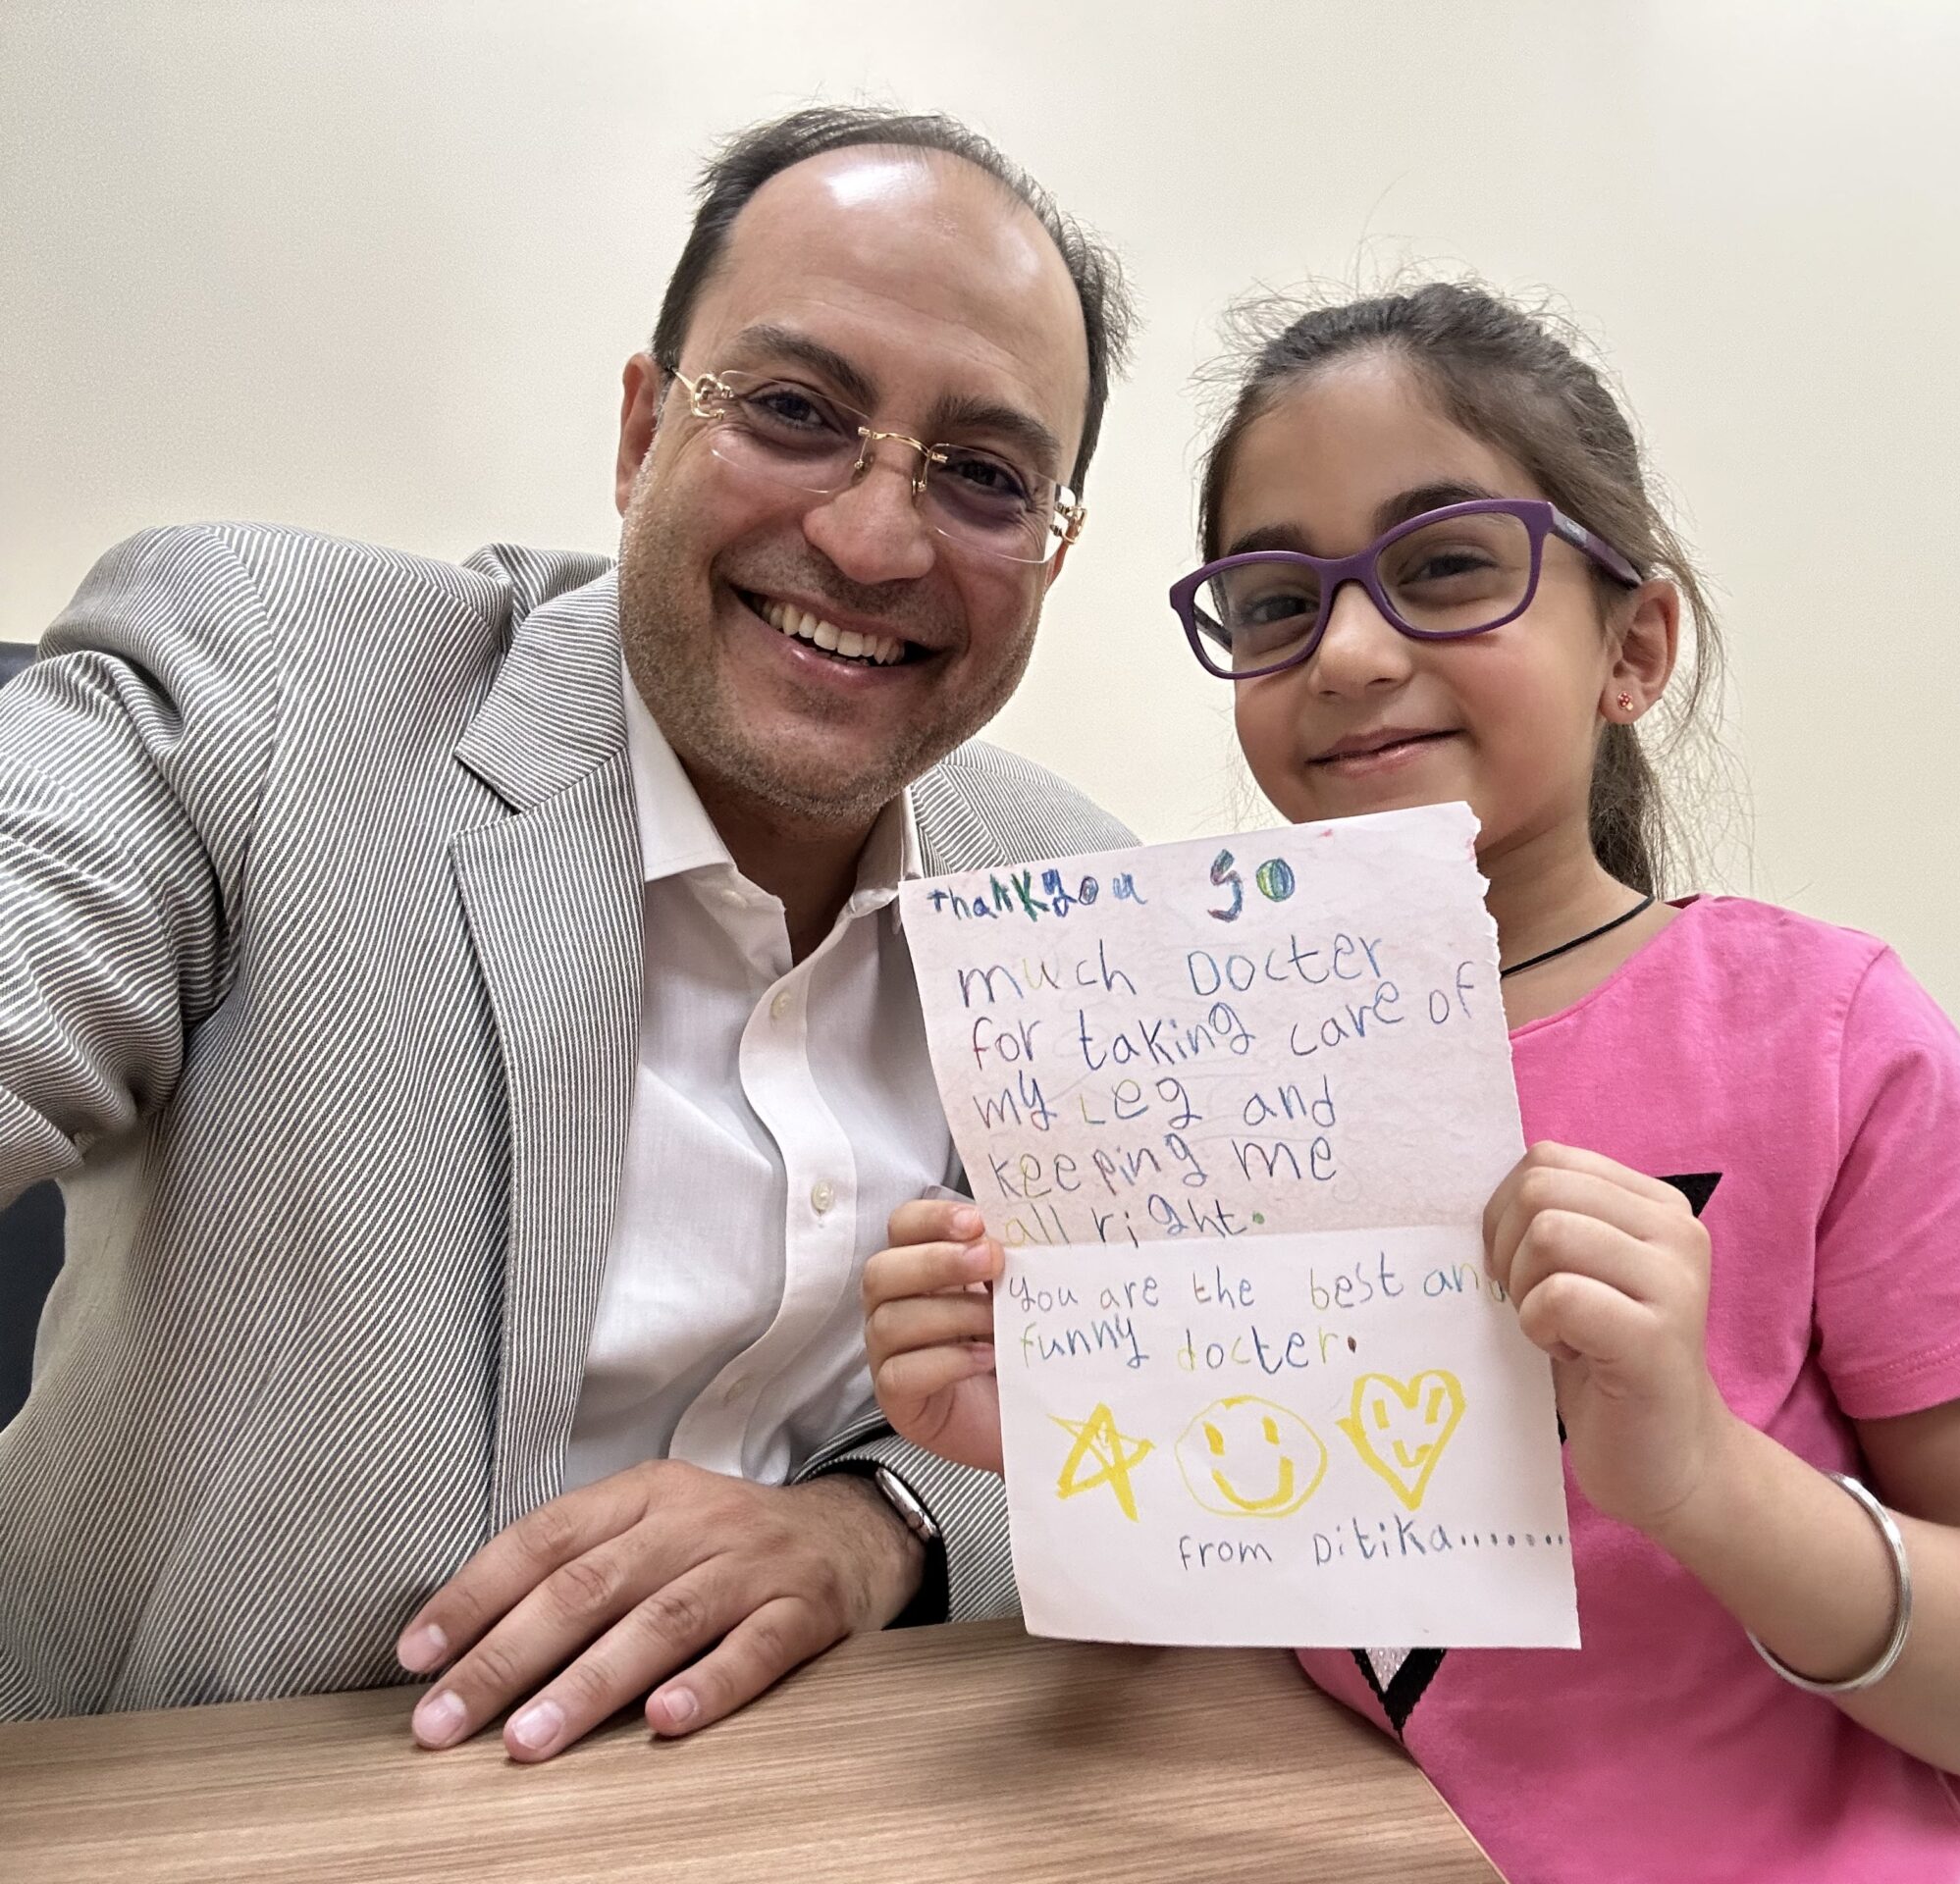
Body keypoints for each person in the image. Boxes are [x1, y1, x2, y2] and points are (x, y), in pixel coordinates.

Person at [864, 282, 1960, 1882]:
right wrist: (1058, 1442)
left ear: (1635, 645)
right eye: (1273, 599)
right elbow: (1296, 1585)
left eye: (1448, 565)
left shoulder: (1822, 1036)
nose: (1343, 649)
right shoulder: (1195, 1060)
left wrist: (1703, 1480)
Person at [0, 105, 1134, 1759]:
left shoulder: (1077, 897)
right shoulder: (266, 689)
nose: (875, 541)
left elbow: (1201, 1424)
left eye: (982, 476)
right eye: (799, 411)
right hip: (211, 1805)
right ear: (639, 432)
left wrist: (876, 1525)